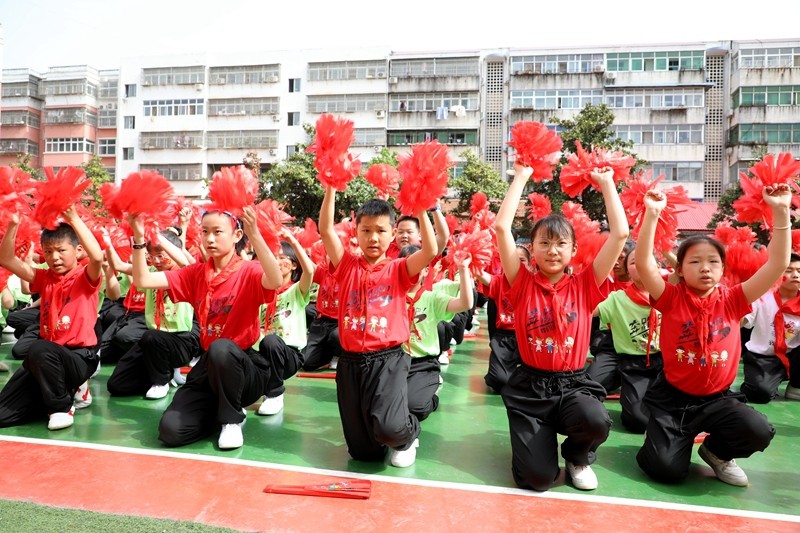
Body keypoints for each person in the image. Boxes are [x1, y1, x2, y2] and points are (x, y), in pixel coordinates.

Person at [634, 184, 791, 486]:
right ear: (679, 268)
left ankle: (717, 453)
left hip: (717, 400)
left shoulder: (733, 299)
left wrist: (781, 210)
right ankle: (659, 439)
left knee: (757, 428)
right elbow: (643, 263)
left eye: (713, 262)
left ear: (722, 268)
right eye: (694, 261)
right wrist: (652, 214)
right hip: (673, 401)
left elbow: (777, 264)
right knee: (667, 471)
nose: (705, 268)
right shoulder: (670, 297)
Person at [494, 162, 629, 491]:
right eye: (544, 243)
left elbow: (621, 234)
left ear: (573, 250)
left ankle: (577, 455)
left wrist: (607, 184)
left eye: (560, 244)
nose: (552, 250)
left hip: (573, 385)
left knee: (595, 419)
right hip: (530, 388)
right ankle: (537, 444)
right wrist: (521, 177)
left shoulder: (586, 284)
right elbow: (500, 228)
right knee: (537, 480)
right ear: (533, 249)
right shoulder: (521, 282)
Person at [129, 207, 283, 450]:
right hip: (208, 366)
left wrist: (256, 235)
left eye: (217, 232)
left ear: (236, 234)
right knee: (171, 431)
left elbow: (275, 280)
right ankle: (220, 408)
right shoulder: (196, 273)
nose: (210, 238)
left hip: (246, 368)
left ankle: (232, 419)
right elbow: (143, 281)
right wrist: (138, 240)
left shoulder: (248, 270)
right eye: (205, 232)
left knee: (222, 347)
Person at [319, 185, 437, 468]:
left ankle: (409, 434)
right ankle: (388, 433)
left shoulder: (399, 268)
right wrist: (331, 187)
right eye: (366, 230)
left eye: (381, 231)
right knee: (363, 453)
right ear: (356, 233)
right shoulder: (346, 264)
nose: (373, 238)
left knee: (390, 429)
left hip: (388, 360)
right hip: (350, 363)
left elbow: (431, 250)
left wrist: (421, 206)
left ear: (393, 234)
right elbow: (325, 230)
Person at [0, 207, 104, 430]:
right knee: (2, 415)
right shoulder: (44, 277)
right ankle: (56, 395)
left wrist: (73, 217)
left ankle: (62, 407)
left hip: (78, 358)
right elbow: (6, 259)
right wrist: (13, 224)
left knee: (38, 348)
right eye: (47, 251)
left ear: (77, 251)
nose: (53, 257)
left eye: (60, 250)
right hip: (48, 360)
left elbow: (97, 256)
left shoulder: (85, 276)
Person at [106, 229, 200, 399]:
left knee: (151, 337)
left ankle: (161, 380)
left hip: (181, 338)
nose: (156, 260)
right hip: (153, 340)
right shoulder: (150, 275)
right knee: (116, 385)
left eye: (161, 255)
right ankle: (163, 371)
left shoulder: (187, 274)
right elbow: (119, 265)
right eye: (152, 255)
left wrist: (156, 234)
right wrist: (106, 242)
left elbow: (187, 262)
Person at [590, 245, 662, 433]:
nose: (641, 265)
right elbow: (587, 311)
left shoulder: (668, 295)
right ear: (626, 269)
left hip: (659, 360)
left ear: (658, 266)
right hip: (620, 352)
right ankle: (621, 386)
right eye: (634, 262)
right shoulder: (617, 298)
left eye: (647, 260)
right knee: (591, 385)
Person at [400, 244, 473, 422]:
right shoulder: (391, 297)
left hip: (422, 363)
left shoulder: (431, 298)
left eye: (417, 267)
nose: (411, 272)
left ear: (425, 271)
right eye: (406, 266)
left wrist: (463, 270)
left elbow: (465, 303)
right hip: (395, 361)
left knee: (414, 407)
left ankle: (431, 399)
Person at [255, 228, 314, 415]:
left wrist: (293, 241)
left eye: (282, 257)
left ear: (294, 265)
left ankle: (275, 395)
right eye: (273, 257)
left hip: (288, 354)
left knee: (271, 341)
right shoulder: (260, 293)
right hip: (261, 353)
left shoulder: (296, 291)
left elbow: (310, 271)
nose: (277, 261)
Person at [740, 252, 800, 402]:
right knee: (761, 394)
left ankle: (796, 385)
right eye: (789, 270)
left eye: (799, 271)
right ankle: (752, 385)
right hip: (762, 358)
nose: (795, 275)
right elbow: (741, 321)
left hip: (793, 356)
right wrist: (739, 299)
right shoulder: (761, 296)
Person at [477, 245, 530, 393]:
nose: (518, 264)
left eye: (522, 260)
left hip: (529, 337)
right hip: (504, 338)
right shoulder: (501, 282)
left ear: (530, 264)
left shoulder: (536, 281)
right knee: (498, 380)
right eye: (513, 260)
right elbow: (480, 274)